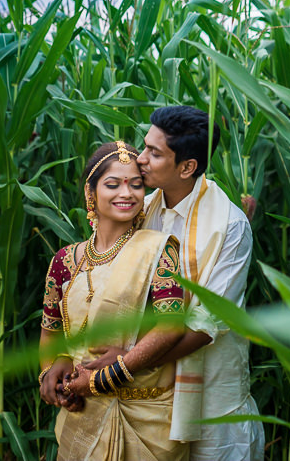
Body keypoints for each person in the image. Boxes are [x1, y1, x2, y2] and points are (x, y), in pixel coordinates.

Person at [86, 106, 264, 460]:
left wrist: (129, 363)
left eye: (155, 153)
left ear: (187, 168)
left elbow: (206, 324)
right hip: (147, 399)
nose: (141, 158)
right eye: (144, 146)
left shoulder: (227, 225)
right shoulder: (141, 208)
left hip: (211, 401)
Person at [38, 141, 187, 461]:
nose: (127, 193)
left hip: (146, 422)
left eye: (136, 184)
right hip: (81, 418)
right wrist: (53, 369)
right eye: (113, 184)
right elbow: (51, 333)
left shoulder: (159, 250)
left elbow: (172, 327)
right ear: (91, 193)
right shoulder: (64, 261)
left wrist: (114, 371)